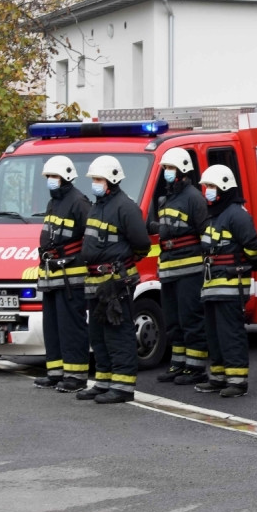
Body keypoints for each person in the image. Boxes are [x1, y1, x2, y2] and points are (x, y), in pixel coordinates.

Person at [76, 155, 152, 404]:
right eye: (94, 179)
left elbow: (142, 244)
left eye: (98, 179)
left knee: (118, 334)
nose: (95, 184)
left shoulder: (125, 207)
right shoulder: (97, 206)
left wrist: (121, 262)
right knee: (99, 335)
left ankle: (122, 387)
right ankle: (104, 382)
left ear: (111, 180)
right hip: (96, 283)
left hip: (115, 282)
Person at [195, 165, 257, 397]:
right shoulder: (214, 215)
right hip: (212, 285)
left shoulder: (236, 214)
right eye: (206, 186)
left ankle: (237, 381)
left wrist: (253, 263)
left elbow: (254, 247)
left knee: (230, 333)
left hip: (230, 285)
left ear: (224, 187)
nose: (207, 191)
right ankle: (218, 378)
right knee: (214, 334)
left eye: (211, 186)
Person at [148, 147, 210, 386]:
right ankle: (178, 364)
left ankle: (195, 368)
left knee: (190, 319)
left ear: (183, 170)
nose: (167, 172)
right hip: (170, 270)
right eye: (165, 168)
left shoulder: (194, 198)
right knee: (173, 321)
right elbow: (166, 232)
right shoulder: (167, 199)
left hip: (190, 271)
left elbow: (205, 233)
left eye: (170, 168)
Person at [33, 156, 91, 392]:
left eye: (54, 176)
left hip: (71, 277)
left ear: (66, 176)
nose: (50, 180)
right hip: (51, 276)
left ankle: (76, 377)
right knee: (53, 327)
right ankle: (56, 373)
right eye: (48, 176)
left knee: (71, 328)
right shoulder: (53, 202)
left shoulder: (78, 202)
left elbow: (90, 238)